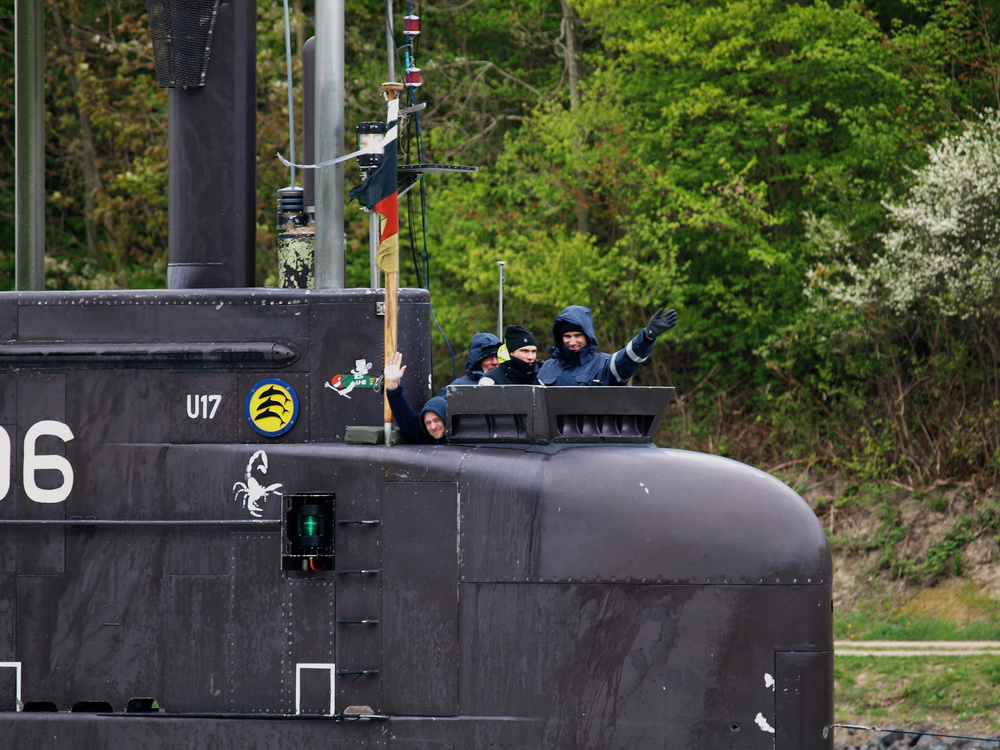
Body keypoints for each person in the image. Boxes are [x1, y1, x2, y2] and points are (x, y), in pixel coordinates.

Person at [537, 304, 677, 386]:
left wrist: (647, 337)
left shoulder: (604, 364)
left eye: (578, 336)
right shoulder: (547, 368)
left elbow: (628, 358)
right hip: (552, 437)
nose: (572, 342)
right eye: (567, 336)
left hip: (593, 435)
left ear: (587, 336)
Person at [383, 351, 447, 444]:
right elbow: (404, 415)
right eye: (428, 423)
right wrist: (392, 384)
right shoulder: (424, 438)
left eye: (436, 420)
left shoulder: (464, 436)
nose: (433, 427)